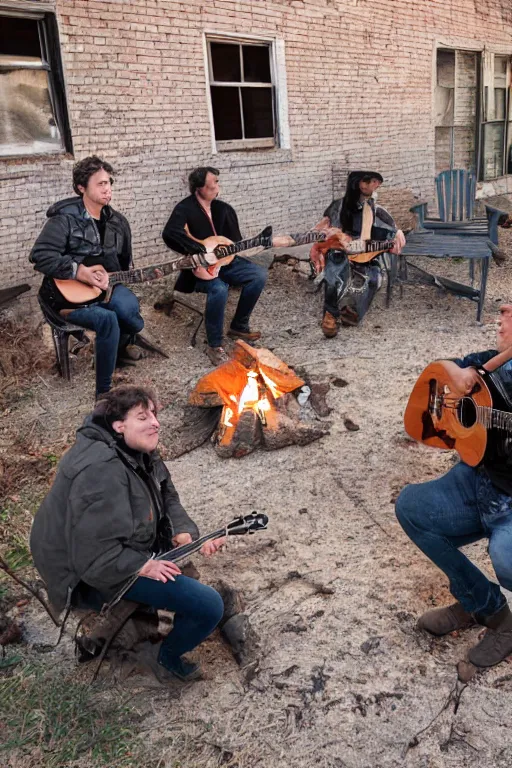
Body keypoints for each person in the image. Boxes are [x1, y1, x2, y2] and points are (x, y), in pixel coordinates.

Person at [30, 385, 225, 681]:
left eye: (155, 415)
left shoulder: (135, 448)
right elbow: (93, 553)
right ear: (119, 425)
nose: (155, 423)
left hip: (115, 549)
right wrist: (142, 565)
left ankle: (155, 625)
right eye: (142, 417)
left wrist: (185, 533)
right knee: (210, 606)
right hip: (83, 573)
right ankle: (166, 658)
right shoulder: (102, 470)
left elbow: (167, 494)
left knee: (188, 577)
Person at [396, 304, 512, 668]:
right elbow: (442, 374)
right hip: (476, 483)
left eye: (510, 314)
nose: (501, 314)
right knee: (413, 509)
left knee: (505, 555)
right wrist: (457, 373)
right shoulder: (496, 363)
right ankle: (485, 606)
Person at [30, 155, 144, 398]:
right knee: (108, 320)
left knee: (133, 317)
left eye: (109, 183)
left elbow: (124, 264)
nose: (108, 189)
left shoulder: (118, 222)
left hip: (106, 286)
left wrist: (118, 280)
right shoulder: (64, 219)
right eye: (101, 184)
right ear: (82, 187)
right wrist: (79, 271)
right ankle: (104, 393)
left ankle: (118, 350)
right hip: (65, 296)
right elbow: (41, 256)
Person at [162, 166, 268, 366]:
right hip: (198, 269)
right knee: (219, 289)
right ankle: (214, 345)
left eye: (217, 182)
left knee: (258, 275)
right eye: (213, 182)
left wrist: (236, 250)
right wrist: (200, 250)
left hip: (226, 263)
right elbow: (170, 233)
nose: (216, 185)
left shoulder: (224, 209)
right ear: (199, 187)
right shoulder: (184, 208)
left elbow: (236, 241)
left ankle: (239, 325)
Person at [310, 170, 406, 338]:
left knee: (375, 279)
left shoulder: (373, 207)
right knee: (332, 277)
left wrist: (397, 232)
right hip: (339, 249)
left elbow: (389, 223)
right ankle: (330, 315)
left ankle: (352, 311)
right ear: (359, 184)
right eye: (372, 182)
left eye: (377, 183)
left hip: (364, 254)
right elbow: (324, 225)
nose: (376, 186)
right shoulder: (338, 205)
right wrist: (317, 239)